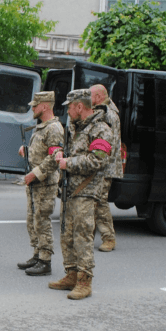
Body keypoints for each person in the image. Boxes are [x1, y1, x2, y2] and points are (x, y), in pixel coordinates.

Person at [49, 89, 112, 300]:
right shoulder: (75, 128)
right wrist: (59, 153)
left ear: (79, 106)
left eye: (69, 106)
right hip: (69, 190)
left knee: (82, 237)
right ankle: (71, 274)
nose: (67, 110)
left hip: (86, 192)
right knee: (67, 235)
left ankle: (85, 282)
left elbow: (97, 160)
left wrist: (69, 163)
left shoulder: (101, 129)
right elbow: (69, 151)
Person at [16, 91, 65, 276]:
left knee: (42, 220)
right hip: (35, 182)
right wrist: (27, 151)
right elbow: (42, 152)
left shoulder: (54, 128)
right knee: (33, 220)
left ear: (44, 106)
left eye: (35, 105)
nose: (33, 108)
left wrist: (34, 174)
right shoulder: (43, 127)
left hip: (44, 183)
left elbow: (54, 158)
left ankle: (45, 261)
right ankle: (37, 255)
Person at [90, 84, 122, 252]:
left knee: (100, 202)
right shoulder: (106, 111)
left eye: (91, 95)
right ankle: (90, 235)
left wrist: (96, 161)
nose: (88, 98)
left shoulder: (108, 115)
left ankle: (109, 238)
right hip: (100, 166)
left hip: (104, 167)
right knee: (94, 201)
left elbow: (108, 145)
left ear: (99, 97)